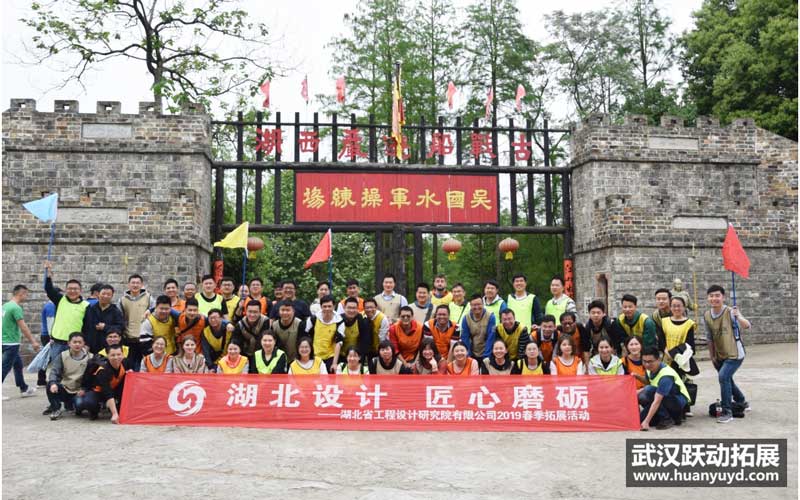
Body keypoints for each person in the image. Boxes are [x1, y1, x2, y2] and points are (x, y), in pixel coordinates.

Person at [704, 284, 751, 424]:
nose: (714, 298)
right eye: (711, 296)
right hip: (720, 354)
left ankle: (727, 411)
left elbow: (747, 325)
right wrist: (712, 356)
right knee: (727, 378)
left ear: (723, 297)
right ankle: (741, 401)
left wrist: (738, 316)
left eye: (717, 295)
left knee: (723, 377)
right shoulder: (707, 315)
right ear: (708, 298)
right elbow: (709, 337)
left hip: (735, 353)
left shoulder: (731, 312)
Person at [43, 260, 89, 365]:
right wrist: (48, 273)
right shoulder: (60, 300)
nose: (72, 291)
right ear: (66, 290)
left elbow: (87, 327)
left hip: (75, 344)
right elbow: (48, 289)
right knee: (56, 369)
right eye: (70, 289)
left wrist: (86, 344)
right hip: (57, 343)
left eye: (75, 289)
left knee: (72, 369)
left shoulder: (86, 305)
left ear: (80, 290)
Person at [639, 346, 690, 430]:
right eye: (644, 361)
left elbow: (657, 400)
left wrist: (646, 422)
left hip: (676, 404)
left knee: (648, 390)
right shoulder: (650, 369)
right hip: (662, 402)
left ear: (659, 359)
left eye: (650, 361)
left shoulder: (666, 375)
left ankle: (667, 419)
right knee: (639, 419)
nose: (647, 364)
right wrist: (636, 376)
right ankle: (667, 417)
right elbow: (649, 382)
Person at [2, 284, 40, 399]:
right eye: (26, 294)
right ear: (21, 293)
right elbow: (23, 327)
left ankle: (24, 388)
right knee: (5, 367)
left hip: (4, 341)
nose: (26, 297)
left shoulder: (5, 306)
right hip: (11, 343)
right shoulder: (16, 308)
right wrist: (33, 341)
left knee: (18, 365)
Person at [76, 344, 129, 423]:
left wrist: (130, 373)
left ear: (123, 355)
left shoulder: (125, 363)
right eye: (113, 355)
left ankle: (113, 407)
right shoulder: (103, 370)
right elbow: (107, 391)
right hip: (99, 392)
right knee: (89, 402)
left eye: (119, 354)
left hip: (115, 389)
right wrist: (114, 414)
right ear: (107, 356)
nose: (116, 357)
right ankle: (95, 411)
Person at [44, 332, 92, 419]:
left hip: (80, 391)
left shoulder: (90, 357)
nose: (77, 344)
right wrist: (53, 383)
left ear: (84, 343)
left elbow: (93, 378)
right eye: (74, 342)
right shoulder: (62, 356)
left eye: (80, 342)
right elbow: (54, 372)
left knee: (79, 405)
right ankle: (56, 409)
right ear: (69, 343)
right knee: (50, 385)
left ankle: (71, 405)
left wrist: (85, 389)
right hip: (65, 388)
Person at [117, 273, 155, 371]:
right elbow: (119, 318)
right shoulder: (122, 300)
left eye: (137, 283)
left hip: (144, 338)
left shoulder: (148, 298)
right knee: (129, 367)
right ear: (128, 284)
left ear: (141, 284)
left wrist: (150, 311)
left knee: (144, 366)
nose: (135, 285)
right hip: (129, 338)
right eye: (133, 283)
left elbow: (155, 310)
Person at [660, 297, 698, 379]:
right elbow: (661, 340)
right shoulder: (664, 321)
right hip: (666, 358)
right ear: (670, 307)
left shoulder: (689, 324)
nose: (676, 308)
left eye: (679, 306)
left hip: (681, 360)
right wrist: (667, 352)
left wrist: (675, 355)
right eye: (674, 306)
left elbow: (690, 344)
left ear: (684, 307)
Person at [81, 284, 124, 355]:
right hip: (91, 347)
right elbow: (85, 327)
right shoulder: (90, 309)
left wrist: (105, 327)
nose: (105, 296)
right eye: (103, 294)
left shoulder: (115, 311)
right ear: (98, 294)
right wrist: (86, 343)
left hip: (108, 348)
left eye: (108, 294)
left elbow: (120, 327)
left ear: (112, 296)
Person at [306, 295, 344, 372]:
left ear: (334, 306)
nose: (327, 309)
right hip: (314, 355)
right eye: (325, 306)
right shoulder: (313, 319)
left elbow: (339, 343)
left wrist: (334, 363)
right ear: (321, 306)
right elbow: (306, 337)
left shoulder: (339, 321)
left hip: (330, 356)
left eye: (329, 306)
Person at [460, 293, 496, 361]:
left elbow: (491, 337)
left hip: (487, 352)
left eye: (479, 304)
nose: (477, 307)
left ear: (483, 304)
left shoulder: (490, 317)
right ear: (470, 306)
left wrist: (486, 356)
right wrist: (468, 356)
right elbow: (465, 338)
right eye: (474, 305)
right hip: (472, 352)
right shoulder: (466, 318)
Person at [339, 297, 372, 361]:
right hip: (340, 355)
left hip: (356, 355)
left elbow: (364, 342)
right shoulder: (338, 320)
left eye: (354, 308)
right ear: (344, 308)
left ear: (357, 309)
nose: (351, 310)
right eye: (349, 308)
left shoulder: (361, 320)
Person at [38, 299, 55, 386]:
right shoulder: (51, 306)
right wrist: (52, 337)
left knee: (47, 358)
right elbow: (50, 321)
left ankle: (41, 380)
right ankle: (41, 380)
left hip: (47, 335)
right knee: (47, 358)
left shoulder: (50, 305)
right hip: (49, 336)